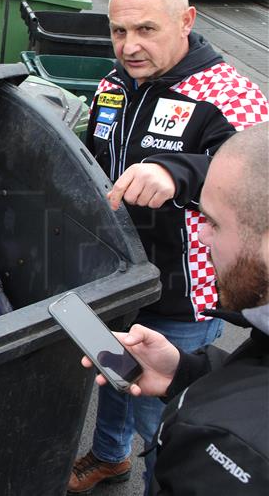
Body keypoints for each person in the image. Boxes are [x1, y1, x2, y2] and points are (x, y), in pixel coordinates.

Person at [72, 0, 269, 494]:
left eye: (146, 30)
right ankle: (109, 457)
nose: (129, 46)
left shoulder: (229, 94)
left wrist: (176, 171)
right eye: (119, 31)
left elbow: (260, 179)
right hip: (117, 277)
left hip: (184, 296)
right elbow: (94, 162)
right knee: (117, 379)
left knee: (165, 420)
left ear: (186, 20)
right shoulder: (113, 85)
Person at [80, 123, 269, 495]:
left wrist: (177, 172)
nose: (202, 234)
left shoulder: (228, 449)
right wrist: (187, 373)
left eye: (213, 222)